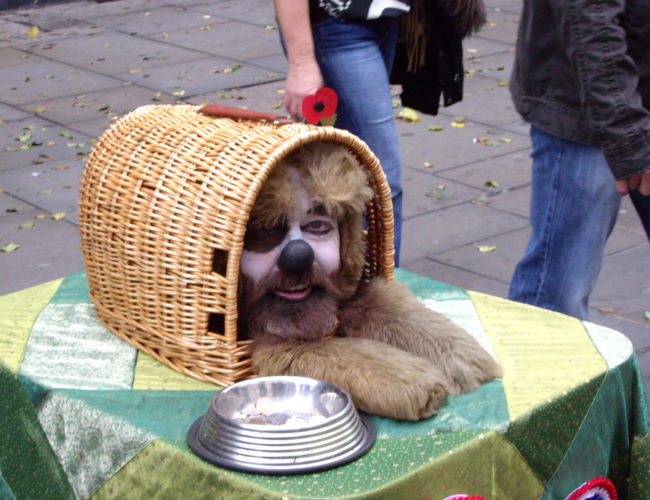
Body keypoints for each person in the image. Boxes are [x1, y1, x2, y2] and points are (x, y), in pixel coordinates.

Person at [273, 0, 485, 266]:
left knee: (339, 171)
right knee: (379, 180)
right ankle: (374, 293)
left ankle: (337, 282)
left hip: (382, 19)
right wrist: (301, 63)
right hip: (337, 24)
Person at [507, 0, 650, 320]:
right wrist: (626, 134)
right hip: (586, 107)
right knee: (556, 297)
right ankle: (538, 368)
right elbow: (590, 21)